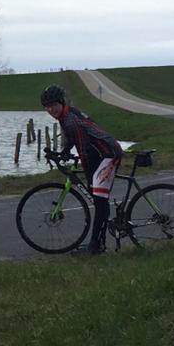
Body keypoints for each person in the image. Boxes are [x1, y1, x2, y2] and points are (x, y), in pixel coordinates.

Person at [41, 83, 123, 255]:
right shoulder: (67, 115)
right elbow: (73, 140)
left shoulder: (70, 120)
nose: (50, 109)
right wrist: (63, 152)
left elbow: (84, 148)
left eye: (53, 105)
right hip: (101, 153)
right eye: (47, 106)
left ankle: (95, 247)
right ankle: (98, 244)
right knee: (99, 199)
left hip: (107, 154)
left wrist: (86, 171)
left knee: (100, 202)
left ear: (61, 102)